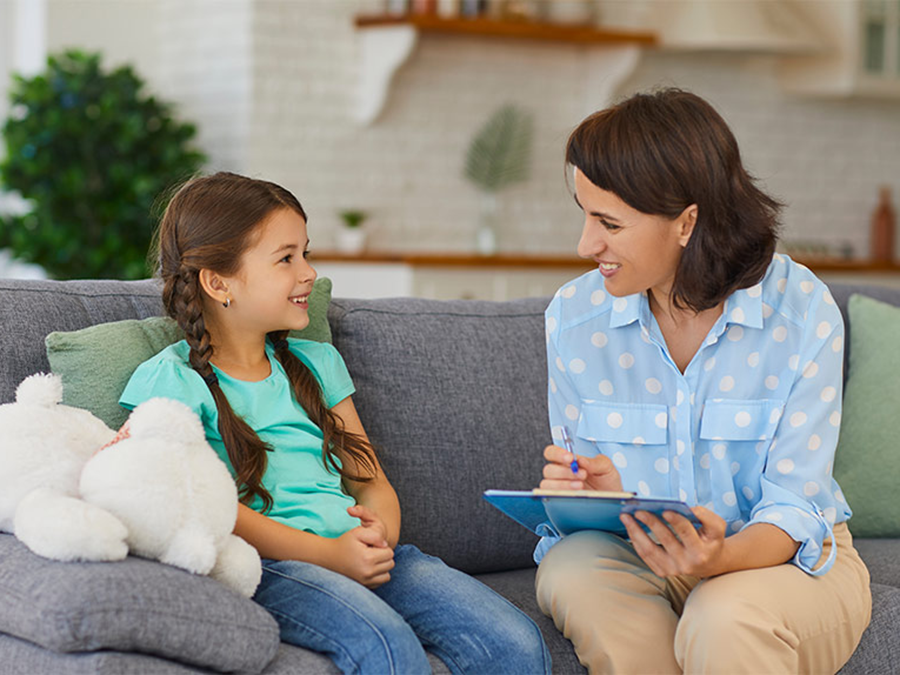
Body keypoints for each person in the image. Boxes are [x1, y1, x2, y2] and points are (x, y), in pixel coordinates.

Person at [119, 172, 551, 675]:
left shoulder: (318, 364)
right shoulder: (169, 383)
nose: (309, 272)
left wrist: (379, 537)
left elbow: (372, 484)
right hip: (275, 570)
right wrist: (330, 555)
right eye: (286, 258)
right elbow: (208, 509)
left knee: (515, 640)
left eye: (306, 253)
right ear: (219, 283)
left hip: (361, 553)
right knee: (385, 647)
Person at [536, 89, 871, 674]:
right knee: (570, 568)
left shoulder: (800, 312)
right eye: (583, 214)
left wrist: (716, 558)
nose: (586, 245)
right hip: (642, 556)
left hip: (781, 565)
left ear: (687, 222)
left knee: (723, 616)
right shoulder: (573, 318)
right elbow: (583, 508)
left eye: (609, 222)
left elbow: (795, 507)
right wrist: (595, 495)